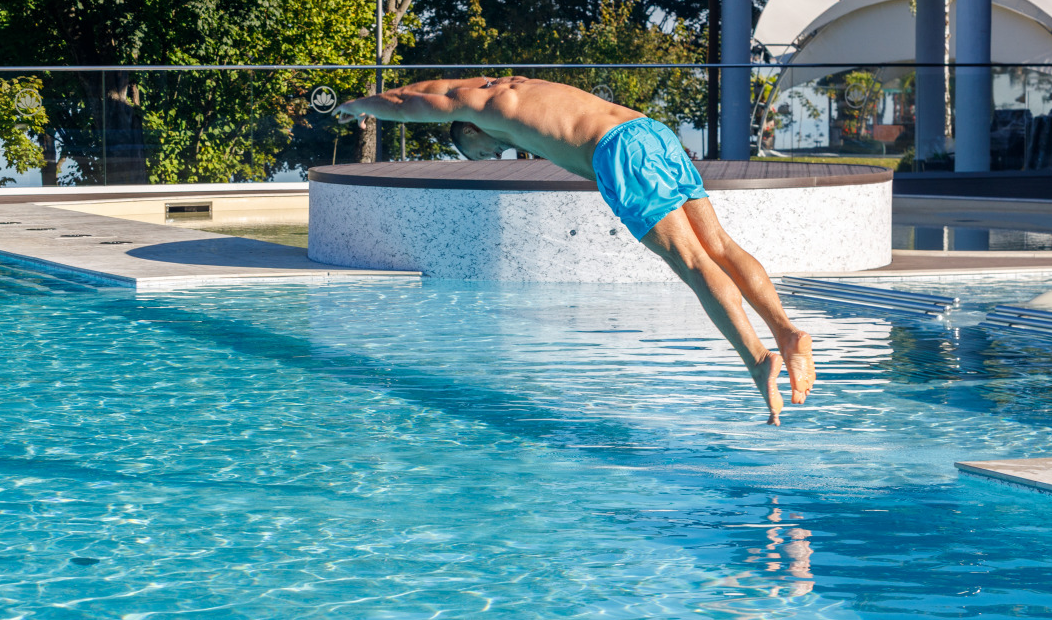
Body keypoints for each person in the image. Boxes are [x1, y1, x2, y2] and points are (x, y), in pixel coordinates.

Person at [335, 75, 814, 424]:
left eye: (481, 151)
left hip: (618, 153)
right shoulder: (519, 87)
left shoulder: (486, 108)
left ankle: (757, 359)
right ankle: (787, 332)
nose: (496, 154)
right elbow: (438, 84)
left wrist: (359, 106)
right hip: (651, 131)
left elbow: (413, 100)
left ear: (469, 127)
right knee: (720, 245)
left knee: (692, 262)